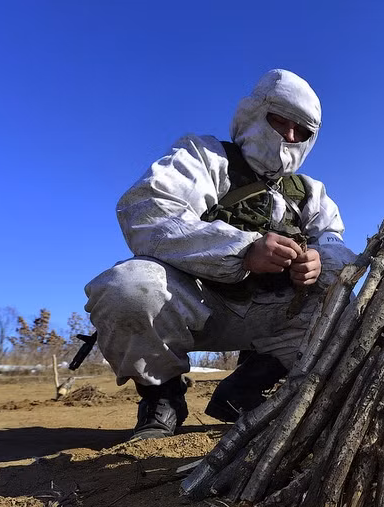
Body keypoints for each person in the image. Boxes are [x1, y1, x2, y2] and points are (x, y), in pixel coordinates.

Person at [84, 69, 355, 441]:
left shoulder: (311, 192)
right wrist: (243, 251)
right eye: (280, 120)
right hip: (201, 307)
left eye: (302, 131)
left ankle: (243, 388)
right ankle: (161, 397)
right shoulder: (204, 157)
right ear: (254, 113)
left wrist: (321, 262)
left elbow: (335, 243)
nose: (290, 137)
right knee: (129, 288)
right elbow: (146, 212)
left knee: (348, 314)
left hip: (278, 317)